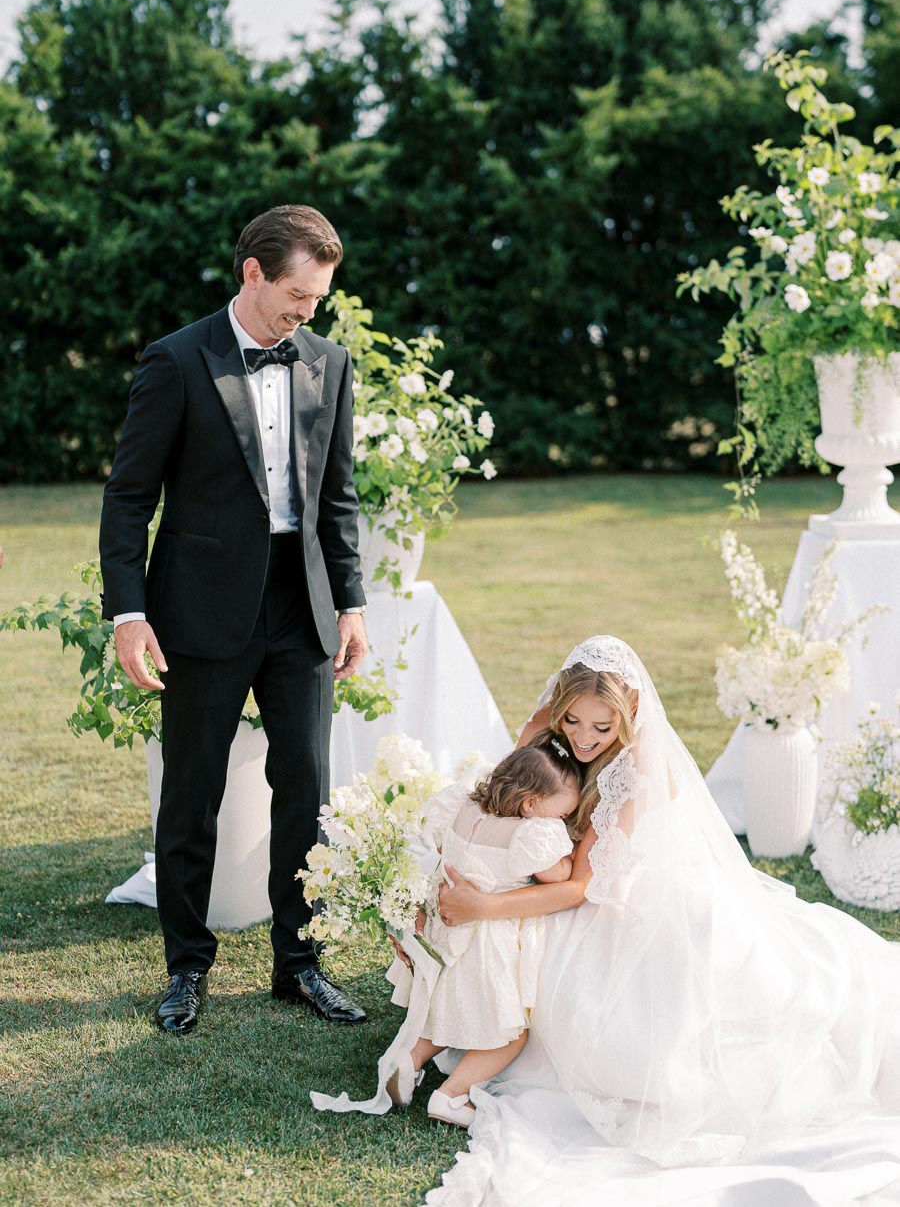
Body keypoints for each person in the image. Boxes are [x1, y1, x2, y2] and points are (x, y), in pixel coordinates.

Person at [429, 636, 900, 1206]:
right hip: (555, 875)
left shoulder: (635, 765)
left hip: (617, 888)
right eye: (573, 721)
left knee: (678, 970)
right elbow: (500, 807)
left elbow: (583, 887)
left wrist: (484, 907)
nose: (582, 739)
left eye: (601, 729)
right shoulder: (546, 727)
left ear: (628, 714)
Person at [100, 205, 369, 1036]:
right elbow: (130, 496)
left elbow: (338, 494)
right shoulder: (178, 360)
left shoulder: (330, 361)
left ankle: (300, 963)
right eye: (298, 294)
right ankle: (186, 966)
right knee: (192, 794)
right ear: (253, 273)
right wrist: (129, 614)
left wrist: (352, 602)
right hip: (202, 611)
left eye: (318, 299)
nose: (308, 313)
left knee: (308, 791)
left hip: (303, 607)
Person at [385, 742, 580, 1126]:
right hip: (489, 945)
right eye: (563, 813)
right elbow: (559, 877)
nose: (564, 821)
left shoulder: (462, 806)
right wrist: (568, 851)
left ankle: (408, 1062)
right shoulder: (529, 834)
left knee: (448, 1013)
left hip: (446, 930)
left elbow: (442, 850)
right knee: (509, 1035)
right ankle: (451, 1097)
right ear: (531, 804)